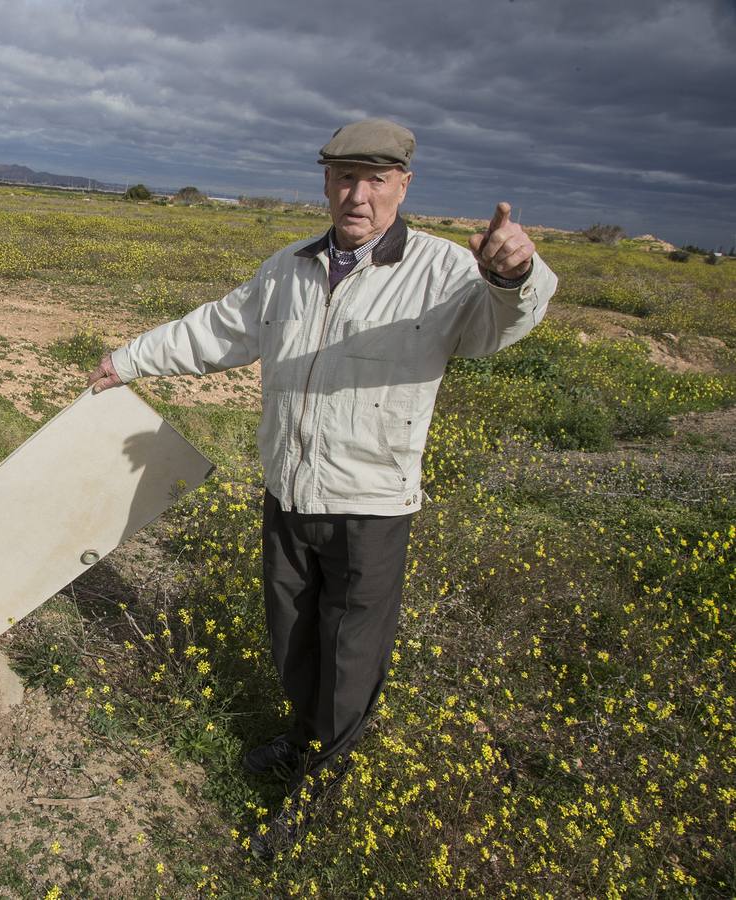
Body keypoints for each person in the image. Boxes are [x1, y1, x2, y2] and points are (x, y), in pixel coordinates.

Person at [87, 118, 557, 856]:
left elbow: (504, 323)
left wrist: (513, 274)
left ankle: (319, 796)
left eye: (375, 179)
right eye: (343, 177)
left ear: (405, 184)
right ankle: (304, 740)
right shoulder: (288, 267)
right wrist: (129, 359)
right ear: (326, 182)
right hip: (288, 492)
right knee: (294, 637)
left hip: (370, 507)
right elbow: (216, 330)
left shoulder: (441, 271)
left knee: (349, 659)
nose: (357, 194)